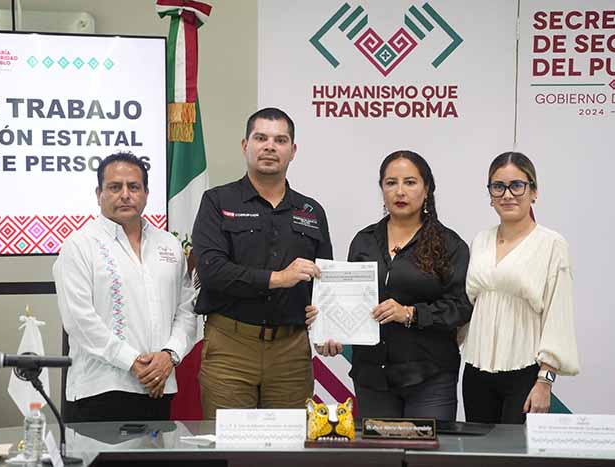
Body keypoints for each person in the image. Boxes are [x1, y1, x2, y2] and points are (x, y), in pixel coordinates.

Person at [309, 150, 472, 421]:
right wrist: (330, 333)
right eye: (391, 183)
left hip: (429, 376)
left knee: (427, 448)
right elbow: (349, 302)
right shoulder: (363, 241)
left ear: (427, 189)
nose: (400, 191)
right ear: (382, 189)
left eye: (410, 182)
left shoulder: (449, 244)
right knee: (377, 448)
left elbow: (460, 307)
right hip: (372, 377)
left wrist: (410, 313)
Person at [192, 107, 333, 417]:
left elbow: (325, 285)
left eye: (280, 140)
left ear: (293, 151)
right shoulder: (217, 201)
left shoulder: (311, 211)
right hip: (231, 346)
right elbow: (212, 271)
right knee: (229, 441)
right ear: (246, 145)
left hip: (291, 351)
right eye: (261, 138)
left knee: (290, 442)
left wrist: (330, 329)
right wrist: (278, 278)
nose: (270, 147)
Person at [53, 151, 197, 422]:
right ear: (99, 194)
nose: (125, 195)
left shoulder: (169, 245)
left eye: (133, 187)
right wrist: (132, 362)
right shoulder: (79, 245)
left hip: (158, 387)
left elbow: (186, 310)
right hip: (99, 390)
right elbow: (79, 320)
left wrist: (169, 355)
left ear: (146, 193)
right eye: (114, 187)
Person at [461, 151, 580, 424]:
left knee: (516, 449)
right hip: (476, 372)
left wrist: (545, 381)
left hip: (525, 374)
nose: (507, 195)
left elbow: (557, 316)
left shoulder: (552, 244)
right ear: (490, 195)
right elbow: (468, 308)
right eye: (498, 187)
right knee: (479, 450)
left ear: (533, 192)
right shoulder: (480, 241)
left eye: (517, 185)